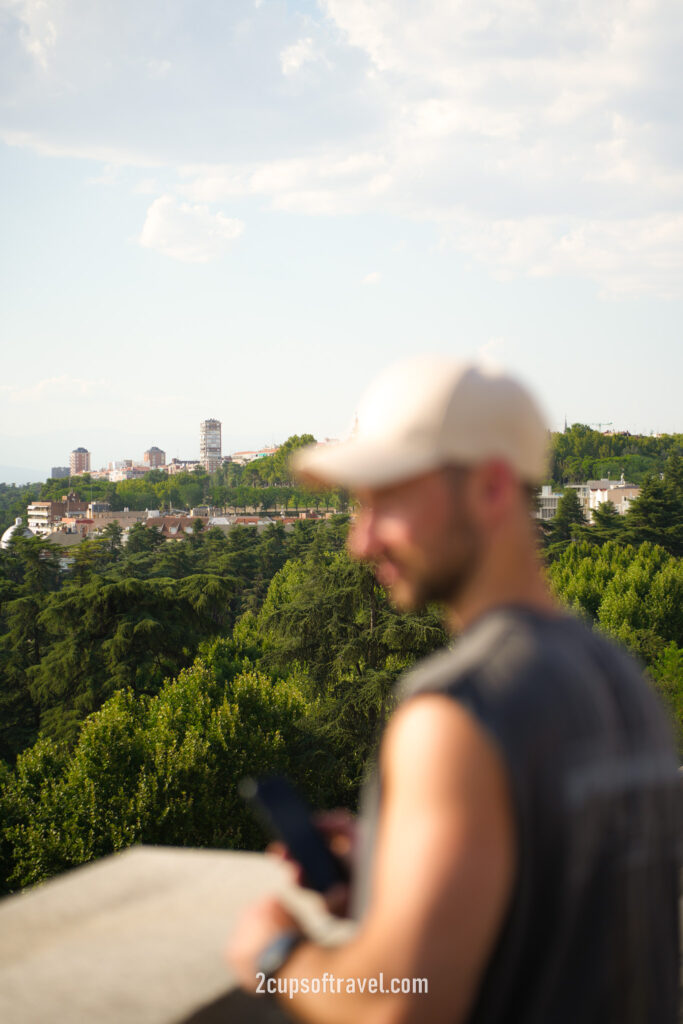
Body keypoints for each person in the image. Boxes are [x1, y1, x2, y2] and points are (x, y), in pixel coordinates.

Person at [227, 356, 681, 1024]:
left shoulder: (457, 711)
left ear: (491, 488)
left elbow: (395, 1005)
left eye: (385, 500)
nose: (360, 540)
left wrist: (274, 955)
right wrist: (400, 872)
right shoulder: (620, 678)